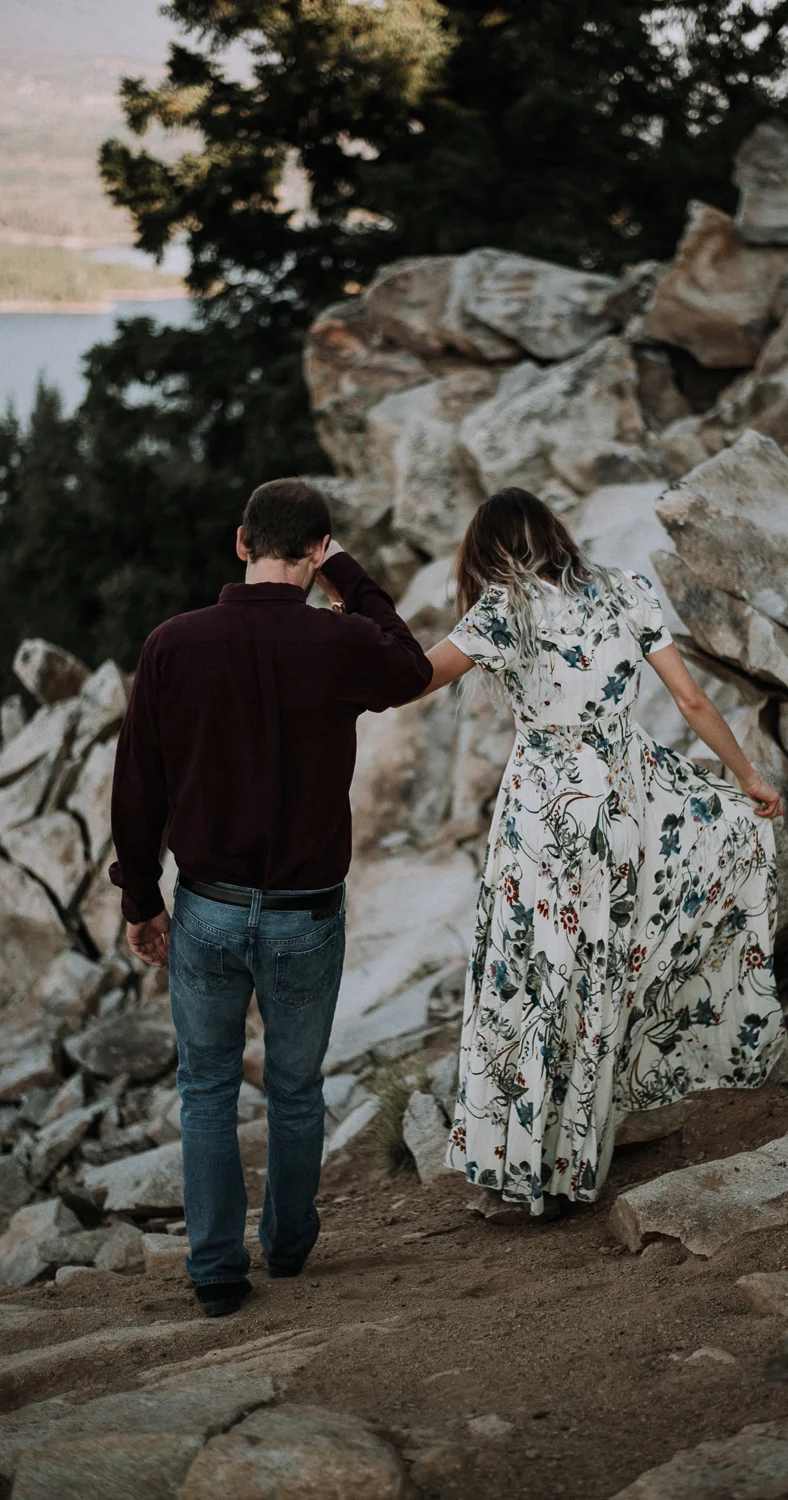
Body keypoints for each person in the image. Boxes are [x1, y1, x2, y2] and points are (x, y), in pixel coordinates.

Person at [417, 488, 785, 1218]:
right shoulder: (626, 591)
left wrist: (347, 622)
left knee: (529, 979)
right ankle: (573, 1162)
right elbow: (690, 703)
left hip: (540, 816)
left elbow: (411, 679)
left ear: (487, 550)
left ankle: (519, 1172)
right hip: (618, 805)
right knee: (594, 974)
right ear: (555, 534)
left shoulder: (502, 610)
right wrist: (746, 777)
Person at [110, 478, 431, 1315]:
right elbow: (410, 664)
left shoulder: (173, 645)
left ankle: (217, 1272)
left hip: (208, 905)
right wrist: (349, 577)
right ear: (316, 550)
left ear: (242, 542)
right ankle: (286, 1248)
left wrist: (140, 898)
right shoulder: (340, 641)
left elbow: (137, 784)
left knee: (206, 1088)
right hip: (306, 911)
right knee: (294, 1088)